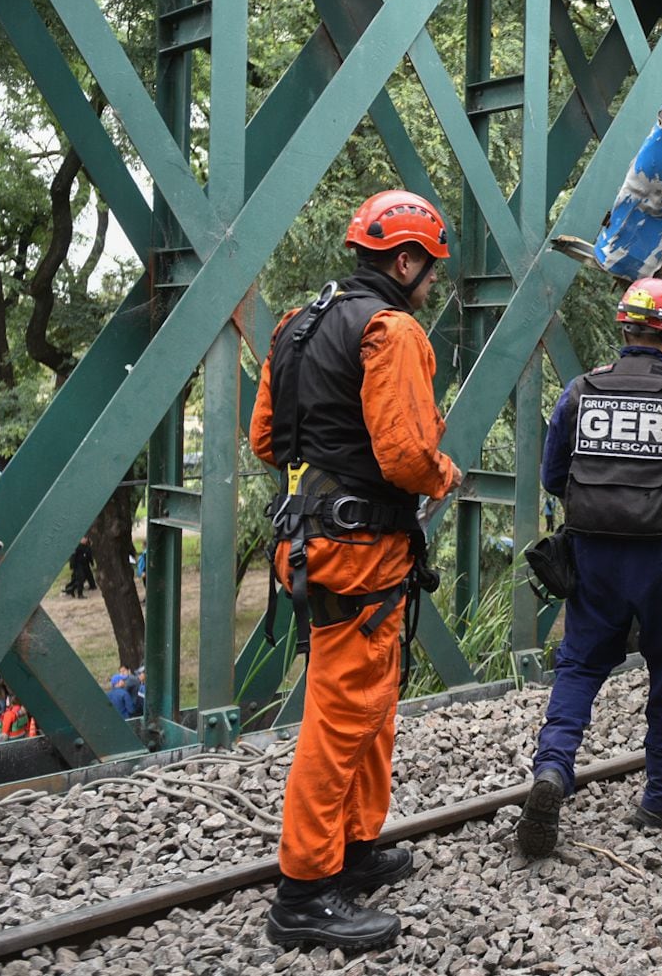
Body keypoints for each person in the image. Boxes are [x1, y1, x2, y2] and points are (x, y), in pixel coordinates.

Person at [249, 189, 461, 951]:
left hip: (314, 538)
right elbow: (405, 453)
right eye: (429, 268)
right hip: (361, 547)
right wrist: (442, 472)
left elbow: (266, 440)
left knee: (370, 702)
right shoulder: (389, 328)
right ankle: (304, 893)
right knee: (341, 718)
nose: (432, 283)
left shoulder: (296, 324)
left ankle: (355, 844)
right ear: (403, 261)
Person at [516, 277, 662, 859]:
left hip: (593, 555)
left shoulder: (580, 392)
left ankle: (553, 770)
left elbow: (552, 476)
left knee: (580, 665)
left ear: (624, 328)